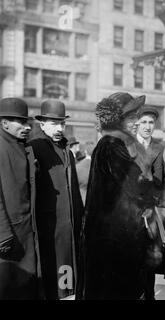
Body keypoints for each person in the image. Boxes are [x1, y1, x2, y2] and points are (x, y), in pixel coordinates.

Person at [77, 93, 165, 300]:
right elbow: (138, 185)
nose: (136, 122)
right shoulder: (112, 145)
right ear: (118, 119)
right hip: (113, 241)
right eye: (131, 117)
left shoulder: (116, 144)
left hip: (115, 237)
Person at [30, 99, 84, 300]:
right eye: (53, 123)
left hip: (69, 228)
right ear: (42, 124)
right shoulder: (34, 148)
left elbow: (75, 192)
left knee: (69, 276)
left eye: (62, 123)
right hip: (49, 228)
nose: (59, 128)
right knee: (52, 278)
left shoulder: (67, 151)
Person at [0, 98, 40, 300]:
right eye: (20, 122)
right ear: (4, 123)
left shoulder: (22, 145)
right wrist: (3, 235)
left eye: (27, 123)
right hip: (8, 237)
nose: (26, 127)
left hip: (25, 231)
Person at [136, 106, 165, 184]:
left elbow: (161, 176)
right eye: (144, 122)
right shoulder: (127, 145)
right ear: (137, 123)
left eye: (151, 122)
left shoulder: (160, 148)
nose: (148, 127)